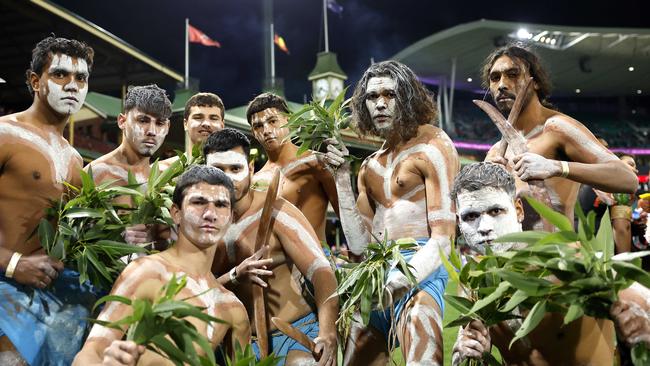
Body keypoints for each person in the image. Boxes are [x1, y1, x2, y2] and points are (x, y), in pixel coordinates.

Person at [324, 60, 459, 365]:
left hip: (419, 264)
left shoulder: (434, 145)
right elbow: (359, 247)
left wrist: (397, 282)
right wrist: (342, 178)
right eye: (372, 97)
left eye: (390, 94)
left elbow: (442, 239)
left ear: (408, 96)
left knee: (422, 357)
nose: (380, 104)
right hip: (375, 271)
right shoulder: (369, 166)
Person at [450, 162, 650, 366]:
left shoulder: (563, 259)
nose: (484, 227)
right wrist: (468, 351)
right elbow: (461, 356)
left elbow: (640, 297)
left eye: (495, 211)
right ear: (459, 223)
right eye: (471, 217)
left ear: (519, 210)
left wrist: (639, 321)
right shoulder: (473, 282)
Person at [73, 165, 250, 365]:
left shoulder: (233, 309)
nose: (210, 213)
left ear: (232, 218)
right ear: (176, 213)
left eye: (220, 205)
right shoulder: (148, 273)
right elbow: (89, 354)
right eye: (199, 202)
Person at [204, 128, 338, 366]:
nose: (227, 178)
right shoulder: (201, 224)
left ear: (251, 168)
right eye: (217, 170)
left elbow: (321, 271)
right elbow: (194, 292)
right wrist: (234, 276)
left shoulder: (278, 211)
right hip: (239, 348)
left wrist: (327, 332)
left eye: (235, 169)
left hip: (295, 335)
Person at [0, 36, 96, 365]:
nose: (72, 85)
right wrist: (12, 264)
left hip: (45, 294)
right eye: (60, 75)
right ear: (35, 81)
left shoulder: (75, 160)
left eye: (81, 78)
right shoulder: (3, 134)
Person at [482, 45, 637, 227]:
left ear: (536, 82)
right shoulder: (495, 153)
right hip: (507, 255)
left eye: (513, 74)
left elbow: (627, 179)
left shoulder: (556, 128)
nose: (501, 85)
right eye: (495, 78)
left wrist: (556, 166)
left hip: (556, 253)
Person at [246, 93, 339, 241]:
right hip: (272, 263)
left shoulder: (317, 163)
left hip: (316, 261)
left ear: (288, 120)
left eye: (272, 121)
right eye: (258, 126)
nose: (267, 130)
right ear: (253, 132)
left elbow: (347, 219)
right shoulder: (256, 181)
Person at [87, 84, 172, 246]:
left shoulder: (167, 180)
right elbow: (71, 241)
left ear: (167, 127)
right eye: (143, 120)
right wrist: (113, 239)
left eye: (160, 123)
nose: (152, 131)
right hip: (109, 270)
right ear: (122, 121)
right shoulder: (96, 174)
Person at [159, 92, 225, 170]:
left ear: (222, 125)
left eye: (213, 118)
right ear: (185, 124)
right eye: (198, 117)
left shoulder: (236, 170)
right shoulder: (162, 170)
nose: (206, 123)